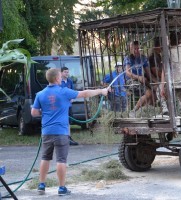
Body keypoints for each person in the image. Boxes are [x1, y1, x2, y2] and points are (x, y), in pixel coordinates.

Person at [31, 68, 108, 196]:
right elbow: (84, 94)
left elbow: (34, 113)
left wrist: (46, 112)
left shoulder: (40, 94)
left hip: (46, 132)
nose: (62, 78)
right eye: (60, 77)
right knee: (61, 160)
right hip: (61, 132)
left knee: (45, 157)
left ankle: (41, 185)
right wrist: (101, 91)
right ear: (56, 79)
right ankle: (61, 188)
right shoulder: (64, 91)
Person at [161, 31, 181, 115]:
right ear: (180, 40)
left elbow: (164, 70)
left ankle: (166, 109)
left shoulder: (168, 53)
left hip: (174, 81)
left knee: (160, 90)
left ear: (170, 40)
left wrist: (162, 85)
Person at [124, 41, 153, 117]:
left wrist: (154, 82)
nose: (136, 51)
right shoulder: (128, 58)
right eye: (134, 49)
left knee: (154, 91)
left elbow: (148, 72)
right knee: (148, 93)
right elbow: (127, 72)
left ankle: (144, 112)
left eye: (138, 49)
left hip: (141, 81)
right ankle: (134, 111)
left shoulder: (143, 58)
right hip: (131, 81)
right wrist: (138, 77)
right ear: (130, 49)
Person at [60, 67, 78, 146]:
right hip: (61, 106)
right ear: (61, 73)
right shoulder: (59, 82)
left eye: (67, 72)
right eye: (65, 72)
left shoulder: (70, 81)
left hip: (69, 105)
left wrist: (72, 98)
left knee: (68, 121)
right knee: (62, 121)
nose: (66, 74)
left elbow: (72, 92)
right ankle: (62, 138)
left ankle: (68, 137)